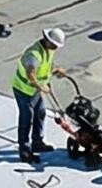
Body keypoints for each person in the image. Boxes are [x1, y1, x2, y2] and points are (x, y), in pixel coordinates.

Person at [11, 29, 67, 165]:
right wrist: (41, 87)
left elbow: (45, 68)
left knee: (40, 113)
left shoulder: (48, 50)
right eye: (54, 45)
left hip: (34, 91)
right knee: (26, 119)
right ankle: (24, 150)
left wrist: (55, 71)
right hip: (23, 90)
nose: (55, 48)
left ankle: (37, 142)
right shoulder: (34, 54)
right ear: (47, 41)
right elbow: (31, 74)